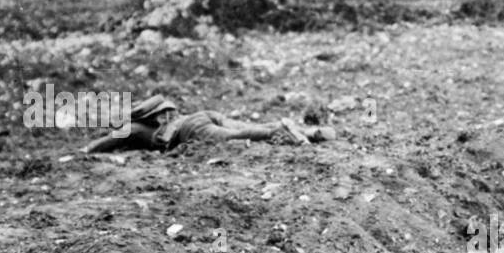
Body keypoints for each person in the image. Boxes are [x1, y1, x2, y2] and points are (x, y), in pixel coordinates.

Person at [82, 95, 331, 153]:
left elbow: (105, 143)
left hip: (191, 129)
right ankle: (307, 131)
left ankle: (281, 129)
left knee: (235, 135)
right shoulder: (162, 119)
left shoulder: (134, 129)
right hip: (202, 115)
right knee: (239, 126)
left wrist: (86, 150)